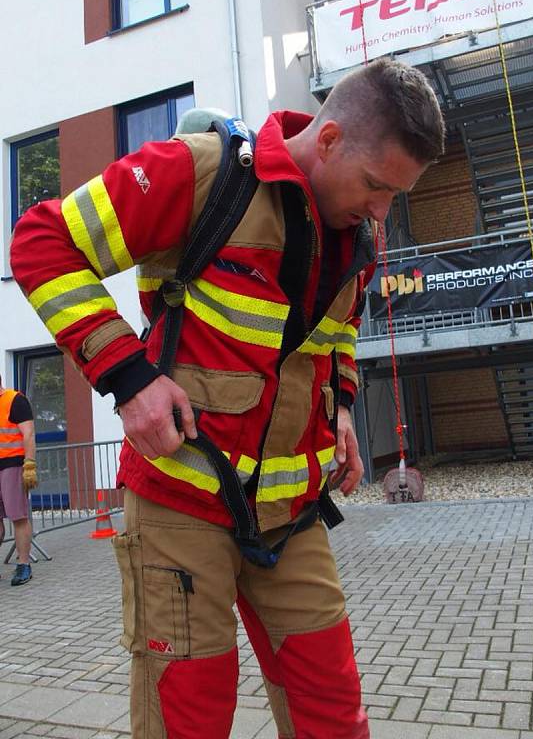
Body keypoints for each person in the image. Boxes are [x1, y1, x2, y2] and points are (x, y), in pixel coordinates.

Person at [11, 58, 445, 737]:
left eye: (397, 194)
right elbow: (42, 241)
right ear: (328, 140)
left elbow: (336, 335)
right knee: (192, 713)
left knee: (335, 710)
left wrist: (341, 408)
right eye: (375, 186)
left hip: (291, 512)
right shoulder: (202, 173)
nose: (381, 211)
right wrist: (129, 380)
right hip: (181, 503)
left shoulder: (360, 230)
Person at [0, 375, 37, 586]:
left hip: (11, 466)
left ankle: (24, 565)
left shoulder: (15, 401)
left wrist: (29, 464)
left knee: (18, 516)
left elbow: (29, 434)